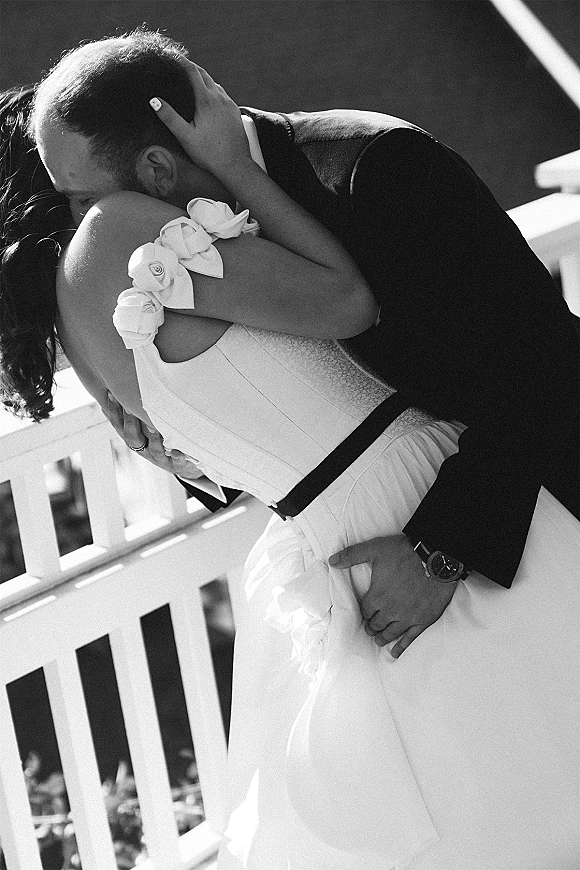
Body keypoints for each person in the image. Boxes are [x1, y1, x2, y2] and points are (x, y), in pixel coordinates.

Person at [1, 37, 577, 869]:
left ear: (158, 170)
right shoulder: (157, 255)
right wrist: (161, 429)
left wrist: (442, 547)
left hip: (523, 512)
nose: (72, 225)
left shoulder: (377, 166)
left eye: (78, 195)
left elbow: (544, 358)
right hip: (352, 553)